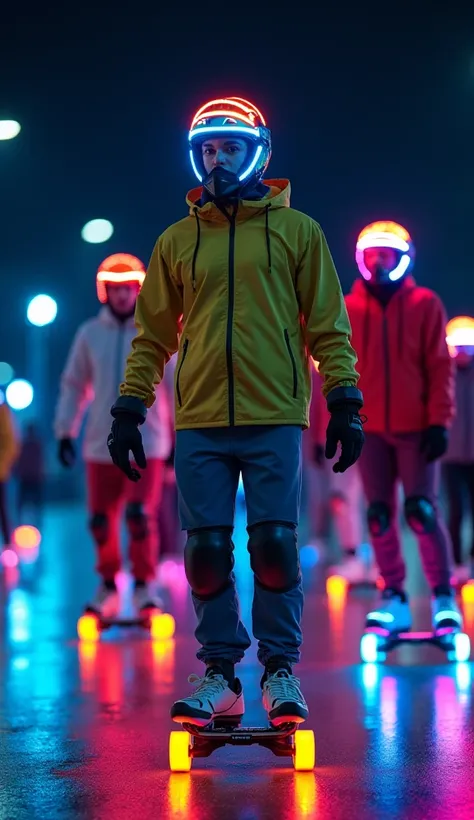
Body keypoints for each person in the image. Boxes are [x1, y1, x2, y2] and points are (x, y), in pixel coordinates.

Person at [107, 96, 365, 729]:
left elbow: (328, 325)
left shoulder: (298, 231)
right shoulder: (176, 240)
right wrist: (129, 408)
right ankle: (220, 675)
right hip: (198, 417)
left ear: (257, 153)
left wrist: (344, 399)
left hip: (275, 411)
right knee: (206, 550)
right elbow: (153, 335)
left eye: (229, 148)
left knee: (274, 545)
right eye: (207, 150)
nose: (216, 159)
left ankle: (280, 672)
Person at [346, 220, 461, 633]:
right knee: (377, 514)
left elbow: (439, 366)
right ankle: (393, 593)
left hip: (416, 428)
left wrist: (439, 421)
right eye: (372, 255)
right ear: (362, 259)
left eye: (387, 255)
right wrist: (336, 421)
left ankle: (442, 595)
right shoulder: (348, 308)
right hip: (368, 428)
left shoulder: (425, 305)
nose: (379, 262)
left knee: (421, 511)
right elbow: (337, 371)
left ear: (402, 258)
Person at [54, 253, 172, 618]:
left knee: (140, 516)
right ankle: (108, 584)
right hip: (98, 444)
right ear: (105, 292)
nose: (122, 296)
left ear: (139, 290)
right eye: (115, 289)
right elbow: (75, 385)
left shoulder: (156, 331)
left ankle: (143, 585)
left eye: (129, 289)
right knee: (100, 520)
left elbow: (173, 385)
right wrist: (64, 431)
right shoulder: (90, 334)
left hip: (148, 443)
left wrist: (178, 436)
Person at [309, 362, 374, 583]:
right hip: (337, 437)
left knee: (376, 498)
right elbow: (319, 399)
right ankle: (353, 555)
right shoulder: (327, 356)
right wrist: (319, 438)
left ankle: (376, 560)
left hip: (370, 433)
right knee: (341, 499)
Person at [442, 316, 474, 584]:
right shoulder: (444, 373)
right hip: (451, 455)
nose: (464, 352)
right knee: (455, 509)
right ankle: (457, 562)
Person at [16, 422, 44, 525]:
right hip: (27, 477)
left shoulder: (33, 445)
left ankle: (37, 520)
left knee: (34, 503)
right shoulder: (26, 445)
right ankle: (21, 521)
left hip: (32, 478)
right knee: (24, 503)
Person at [0, 401, 19, 547]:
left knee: (3, 511)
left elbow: (11, 444)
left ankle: (8, 546)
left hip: (0, 474)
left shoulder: (2, 412)